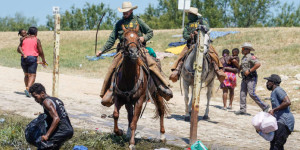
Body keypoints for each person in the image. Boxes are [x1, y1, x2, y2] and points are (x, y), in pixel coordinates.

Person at [96, 1, 173, 107]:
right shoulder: (119, 24)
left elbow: (150, 32)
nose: (125, 13)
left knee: (152, 63)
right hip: (123, 52)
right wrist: (102, 50)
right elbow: (111, 39)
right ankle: (107, 91)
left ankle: (162, 86)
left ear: (131, 11)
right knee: (112, 67)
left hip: (139, 50)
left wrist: (143, 38)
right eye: (123, 12)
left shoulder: (138, 21)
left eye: (126, 11)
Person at [169, 7, 226, 83]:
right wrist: (191, 36)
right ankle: (176, 70)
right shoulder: (187, 25)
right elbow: (184, 35)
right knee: (181, 55)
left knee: (213, 54)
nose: (188, 15)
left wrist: (199, 31)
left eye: (189, 14)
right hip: (191, 44)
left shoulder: (201, 21)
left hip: (203, 43)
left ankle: (218, 70)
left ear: (193, 15)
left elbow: (207, 29)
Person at [29, 83, 73, 149]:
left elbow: (56, 118)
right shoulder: (56, 100)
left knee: (43, 146)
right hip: (69, 130)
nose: (36, 100)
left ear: (42, 93)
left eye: (36, 97)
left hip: (62, 131)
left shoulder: (46, 102)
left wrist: (47, 135)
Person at [235, 43, 269, 115]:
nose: (242, 50)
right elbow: (243, 65)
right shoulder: (244, 57)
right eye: (242, 49)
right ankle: (242, 109)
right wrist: (239, 69)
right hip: (245, 78)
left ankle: (265, 106)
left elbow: (258, 64)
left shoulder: (251, 57)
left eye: (244, 49)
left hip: (251, 78)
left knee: (251, 93)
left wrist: (250, 70)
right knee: (242, 93)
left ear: (248, 50)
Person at [264, 74, 294, 150]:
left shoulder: (278, 90)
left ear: (273, 82)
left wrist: (274, 110)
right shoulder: (273, 92)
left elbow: (287, 102)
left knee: (276, 146)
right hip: (279, 121)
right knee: (274, 144)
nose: (267, 83)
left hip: (285, 122)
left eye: (268, 81)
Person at [17, 27, 46, 97]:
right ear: (36, 33)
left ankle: (27, 89)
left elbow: (18, 49)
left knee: (26, 75)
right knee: (32, 75)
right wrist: (43, 59)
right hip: (32, 58)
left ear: (28, 32)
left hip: (23, 58)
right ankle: (28, 88)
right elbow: (40, 51)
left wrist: (24, 54)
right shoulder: (37, 40)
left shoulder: (23, 39)